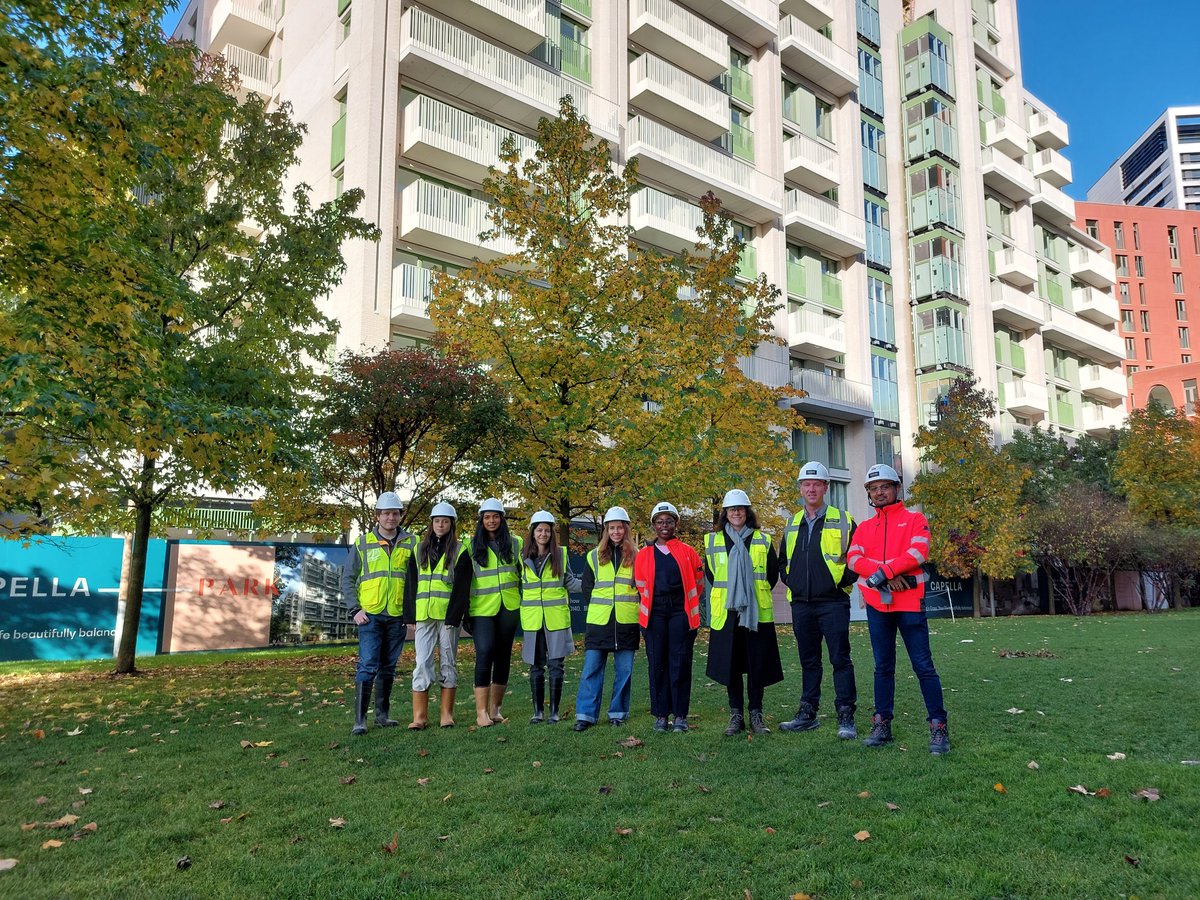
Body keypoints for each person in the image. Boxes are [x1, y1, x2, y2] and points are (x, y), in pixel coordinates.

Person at [847, 463, 950, 755]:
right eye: (874, 489)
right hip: (877, 606)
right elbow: (853, 559)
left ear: (896, 489)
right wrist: (883, 575)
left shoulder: (915, 519)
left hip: (908, 604)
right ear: (869, 494)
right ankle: (882, 725)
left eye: (885, 487)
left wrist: (884, 572)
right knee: (883, 667)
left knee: (923, 666)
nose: (880, 493)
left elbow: (918, 552)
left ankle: (939, 726)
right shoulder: (865, 527)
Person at [777, 461, 859, 739]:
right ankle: (807, 713)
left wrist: (838, 583)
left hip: (833, 603)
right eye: (806, 484)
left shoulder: (844, 519)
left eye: (816, 484)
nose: (811, 489)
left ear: (826, 487)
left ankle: (846, 714)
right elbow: (783, 563)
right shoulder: (790, 524)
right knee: (808, 660)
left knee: (840, 659)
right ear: (800, 488)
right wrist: (795, 584)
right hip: (802, 604)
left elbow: (856, 560)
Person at [704, 490, 782, 736]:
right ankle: (736, 713)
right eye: (731, 509)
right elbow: (711, 575)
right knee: (732, 665)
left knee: (757, 664)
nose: (736, 513)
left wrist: (748, 594)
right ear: (725, 514)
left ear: (748, 512)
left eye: (740, 509)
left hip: (755, 611)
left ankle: (756, 713)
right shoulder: (713, 540)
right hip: (727, 613)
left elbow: (771, 575)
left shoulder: (763, 539)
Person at [341, 491, 416, 736]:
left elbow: (417, 580)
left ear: (400, 515)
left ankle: (382, 716)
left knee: (389, 666)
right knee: (368, 665)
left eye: (395, 513)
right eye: (386, 513)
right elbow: (348, 579)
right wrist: (355, 609)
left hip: (397, 615)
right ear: (378, 516)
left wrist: (411, 614)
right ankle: (360, 720)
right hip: (370, 614)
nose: (391, 518)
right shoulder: (362, 543)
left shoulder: (412, 543)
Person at [446, 498, 522, 728]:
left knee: (503, 656)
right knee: (485, 652)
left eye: (495, 516)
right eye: (487, 517)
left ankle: (495, 710)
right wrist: (456, 614)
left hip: (509, 606)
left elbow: (525, 573)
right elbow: (459, 582)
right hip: (482, 610)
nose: (491, 521)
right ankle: (481, 713)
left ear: (502, 519)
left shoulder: (516, 543)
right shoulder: (470, 547)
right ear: (481, 520)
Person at [634, 502, 703, 733]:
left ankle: (680, 715)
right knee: (657, 663)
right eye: (660, 522)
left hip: (680, 613)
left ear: (676, 524)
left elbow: (698, 584)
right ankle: (661, 715)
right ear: (654, 525)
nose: (665, 526)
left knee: (680, 662)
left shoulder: (688, 552)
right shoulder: (643, 555)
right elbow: (640, 587)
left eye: (669, 521)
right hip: (654, 615)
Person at [573, 506, 640, 731]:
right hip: (599, 622)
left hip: (626, 621)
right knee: (591, 669)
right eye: (612, 528)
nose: (616, 532)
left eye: (620, 527)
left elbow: (642, 587)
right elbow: (587, 587)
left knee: (624, 671)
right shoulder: (593, 556)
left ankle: (617, 713)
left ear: (626, 529)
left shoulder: (637, 556)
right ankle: (585, 715)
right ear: (606, 530)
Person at [520, 511, 581, 724]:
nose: (543, 534)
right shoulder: (522, 556)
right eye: (539, 530)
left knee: (556, 665)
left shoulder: (561, 555)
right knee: (535, 665)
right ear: (533, 532)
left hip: (556, 618)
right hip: (532, 619)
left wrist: (594, 586)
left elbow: (571, 582)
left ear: (551, 533)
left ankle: (554, 712)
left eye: (547, 530)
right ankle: (538, 712)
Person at [406, 501, 461, 730]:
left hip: (448, 617)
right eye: (437, 521)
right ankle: (419, 717)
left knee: (448, 662)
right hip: (424, 616)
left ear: (451, 524)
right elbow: (411, 583)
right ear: (431, 524)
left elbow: (462, 586)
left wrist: (456, 615)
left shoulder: (459, 550)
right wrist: (409, 615)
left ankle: (446, 715)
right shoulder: (419, 549)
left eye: (445, 521)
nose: (440, 524)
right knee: (422, 662)